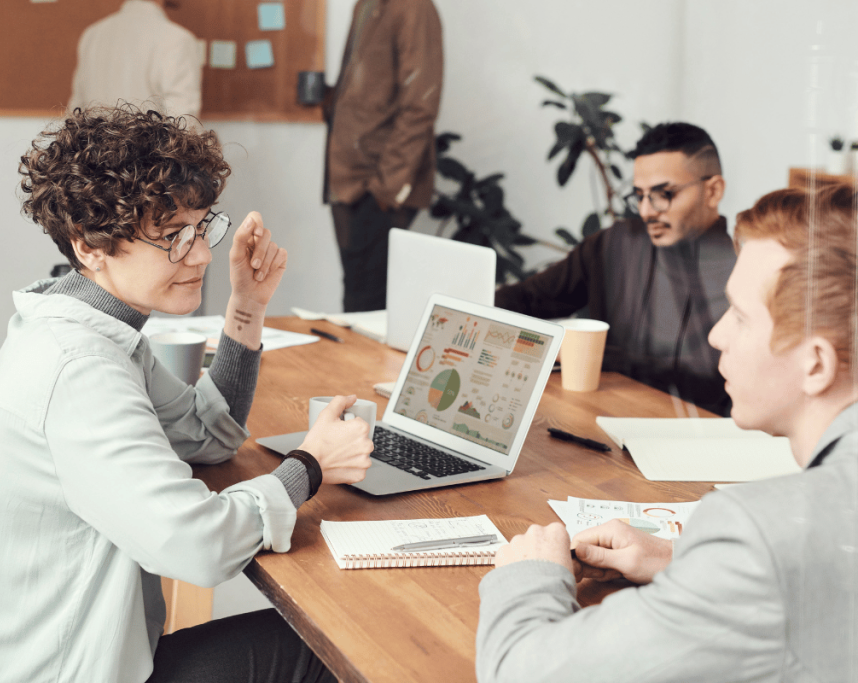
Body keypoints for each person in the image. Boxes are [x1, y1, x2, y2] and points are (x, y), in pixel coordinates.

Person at [0, 107, 373, 683]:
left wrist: (247, 307)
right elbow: (196, 546)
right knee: (336, 643)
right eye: (172, 237)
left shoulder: (88, 328)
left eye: (202, 228)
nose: (204, 254)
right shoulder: (81, 370)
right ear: (90, 245)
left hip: (35, 664)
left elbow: (206, 434)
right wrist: (309, 466)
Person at [477, 183, 858, 682]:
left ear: (816, 363)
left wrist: (528, 576)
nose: (716, 335)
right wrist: (686, 563)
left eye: (740, 317)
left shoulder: (758, 533)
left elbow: (521, 672)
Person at [495, 122, 735, 415]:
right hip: (593, 422)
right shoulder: (615, 244)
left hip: (692, 441)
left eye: (664, 194)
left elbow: (711, 383)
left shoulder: (743, 276)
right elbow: (527, 299)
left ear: (713, 191)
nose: (647, 211)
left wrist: (600, 358)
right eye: (639, 196)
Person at [323, 0, 443, 313]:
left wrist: (387, 189)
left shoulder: (413, 7)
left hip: (377, 183)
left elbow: (421, 104)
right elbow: (371, 89)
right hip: (348, 179)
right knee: (356, 300)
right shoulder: (367, 4)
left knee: (366, 305)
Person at [68, 0, 200, 118]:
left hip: (94, 144)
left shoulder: (92, 35)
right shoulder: (177, 39)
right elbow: (183, 119)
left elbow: (76, 108)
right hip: (150, 145)